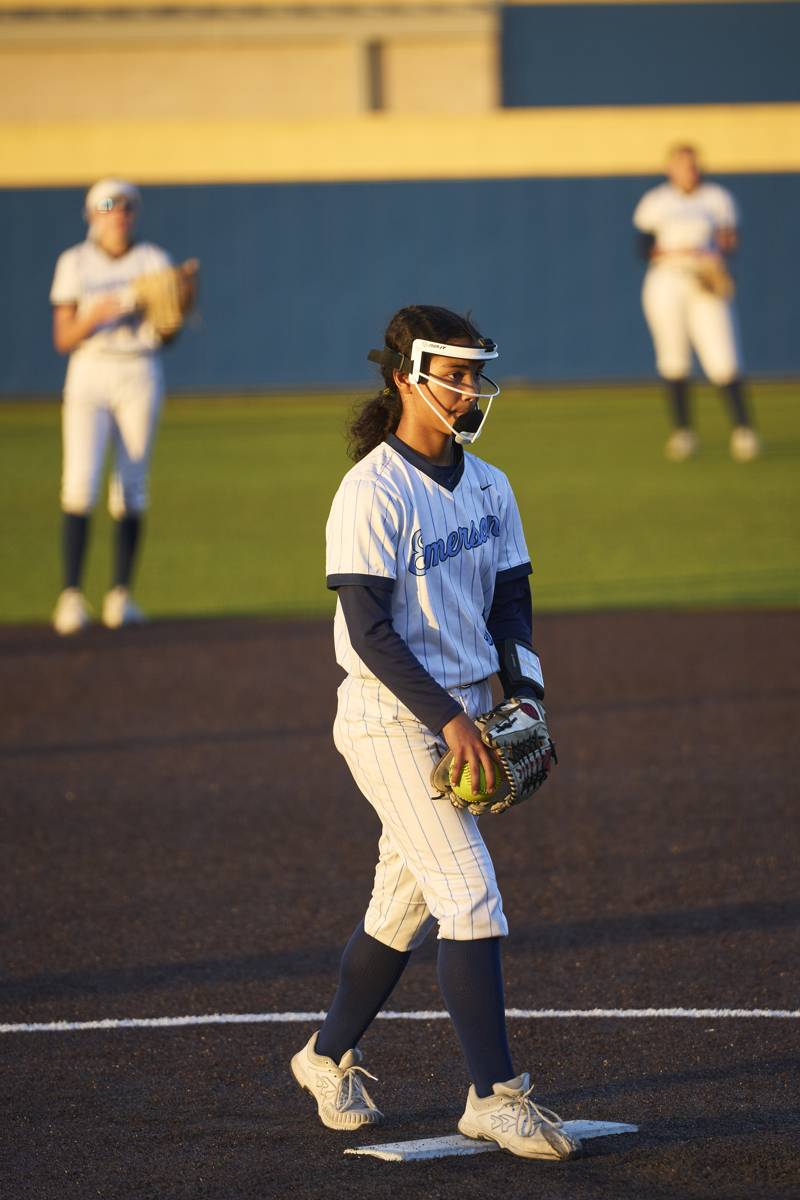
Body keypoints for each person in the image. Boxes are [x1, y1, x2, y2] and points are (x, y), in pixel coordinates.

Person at [290, 305, 581, 1161]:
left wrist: (526, 697)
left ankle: (324, 1058)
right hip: (391, 719)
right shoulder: (372, 491)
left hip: (468, 718)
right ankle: (494, 1096)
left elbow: (512, 602)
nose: (467, 389)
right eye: (452, 375)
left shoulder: (491, 485)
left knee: (403, 907)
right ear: (404, 378)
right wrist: (452, 721)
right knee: (471, 896)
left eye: (473, 373)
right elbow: (369, 634)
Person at [50, 178, 174, 635]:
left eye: (125, 205)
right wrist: (96, 314)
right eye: (107, 205)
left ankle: (120, 595)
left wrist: (175, 305)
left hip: (139, 370)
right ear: (91, 214)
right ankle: (70, 596)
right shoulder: (75, 262)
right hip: (90, 369)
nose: (117, 212)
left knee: (132, 486)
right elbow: (63, 337)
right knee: (78, 484)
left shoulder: (153, 260)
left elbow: (168, 330)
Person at [633, 144, 761, 462]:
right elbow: (643, 248)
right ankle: (683, 433)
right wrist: (681, 251)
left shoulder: (716, 198)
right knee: (673, 358)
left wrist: (713, 254)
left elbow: (729, 239)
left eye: (691, 164)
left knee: (723, 358)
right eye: (681, 165)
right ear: (670, 169)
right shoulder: (656, 201)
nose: (688, 171)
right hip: (667, 280)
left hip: (705, 281)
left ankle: (744, 431)